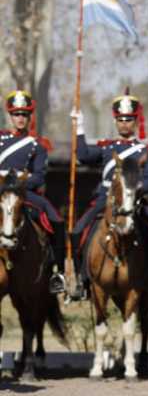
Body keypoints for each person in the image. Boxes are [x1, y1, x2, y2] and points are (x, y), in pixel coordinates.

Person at [68, 88, 148, 301]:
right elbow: (84, 156)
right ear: (116, 121)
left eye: (129, 119)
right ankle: (82, 279)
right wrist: (79, 128)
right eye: (121, 119)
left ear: (136, 122)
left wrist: (136, 189)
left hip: (135, 199)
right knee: (78, 230)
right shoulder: (106, 148)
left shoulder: (146, 151)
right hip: (106, 199)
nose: (125, 123)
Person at [1, 91, 66, 295]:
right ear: (10, 116)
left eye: (24, 114)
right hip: (0, 191)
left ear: (30, 117)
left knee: (55, 219)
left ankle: (58, 272)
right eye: (16, 114)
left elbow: (39, 176)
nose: (20, 118)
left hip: (24, 193)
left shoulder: (38, 145)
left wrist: (20, 185)